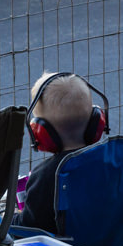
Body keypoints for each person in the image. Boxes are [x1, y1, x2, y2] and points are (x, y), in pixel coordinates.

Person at [14, 72, 106, 233]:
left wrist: (13, 217)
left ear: (40, 132)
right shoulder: (115, 159)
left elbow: (29, 227)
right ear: (96, 121)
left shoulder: (46, 175)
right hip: (112, 242)